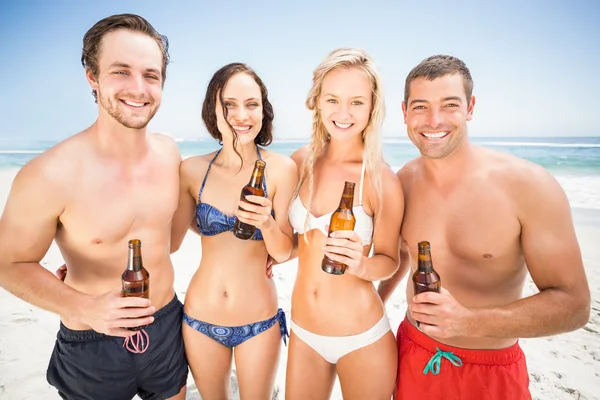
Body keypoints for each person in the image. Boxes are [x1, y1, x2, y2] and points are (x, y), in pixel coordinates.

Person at [377, 54, 592, 400]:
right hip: (413, 354)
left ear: (470, 107)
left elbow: (575, 305)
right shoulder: (403, 182)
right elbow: (402, 253)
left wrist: (467, 321)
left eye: (449, 105)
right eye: (420, 107)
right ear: (404, 113)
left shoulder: (529, 186)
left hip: (490, 371)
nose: (434, 120)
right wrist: (375, 303)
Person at [0, 14, 188, 400]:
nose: (138, 88)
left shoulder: (171, 153)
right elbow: (8, 263)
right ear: (92, 76)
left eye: (151, 75)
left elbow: (169, 241)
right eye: (121, 71)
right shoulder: (49, 173)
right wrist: (84, 306)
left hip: (166, 324)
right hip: (91, 338)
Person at [170, 62, 297, 399]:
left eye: (251, 104)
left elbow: (283, 251)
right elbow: (168, 242)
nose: (242, 115)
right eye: (229, 105)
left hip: (260, 321)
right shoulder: (192, 170)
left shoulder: (282, 169)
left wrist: (266, 222)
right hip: (199, 317)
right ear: (213, 109)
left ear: (263, 110)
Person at [283, 48, 404, 400]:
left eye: (356, 102)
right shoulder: (301, 162)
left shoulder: (381, 180)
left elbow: (390, 259)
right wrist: (273, 255)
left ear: (372, 107)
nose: (343, 113)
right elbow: (297, 242)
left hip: (362, 337)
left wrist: (362, 264)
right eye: (333, 99)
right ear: (317, 101)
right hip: (304, 332)